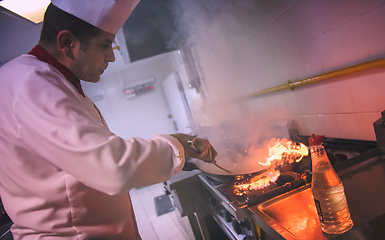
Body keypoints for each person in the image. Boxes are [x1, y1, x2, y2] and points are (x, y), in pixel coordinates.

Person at [0, 0, 217, 239]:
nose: (110, 58)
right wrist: (178, 145)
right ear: (67, 43)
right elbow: (113, 167)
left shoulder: (55, 82)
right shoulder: (29, 82)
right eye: (105, 46)